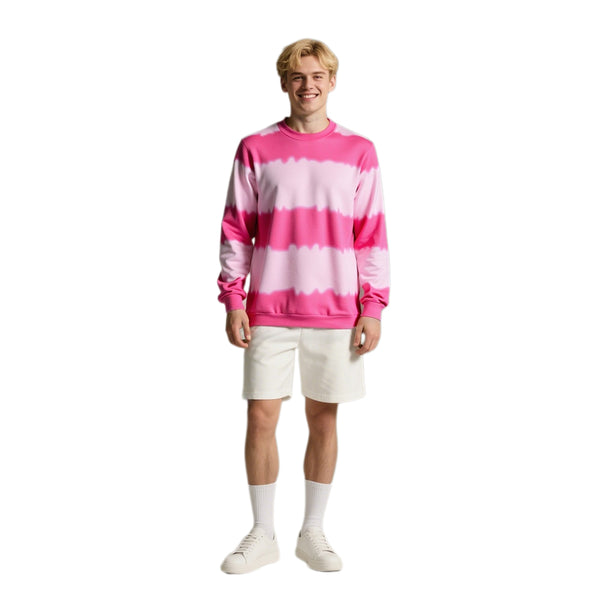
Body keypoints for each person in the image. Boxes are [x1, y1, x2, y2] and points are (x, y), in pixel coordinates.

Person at [217, 38, 390, 574]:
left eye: (317, 76)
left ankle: (312, 530)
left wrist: (373, 306)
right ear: (284, 83)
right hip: (268, 307)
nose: (307, 85)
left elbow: (371, 234)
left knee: (324, 417)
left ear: (332, 81)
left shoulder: (359, 151)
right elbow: (236, 227)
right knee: (260, 416)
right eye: (297, 76)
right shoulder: (255, 147)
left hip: (337, 311)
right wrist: (233, 297)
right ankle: (262, 532)